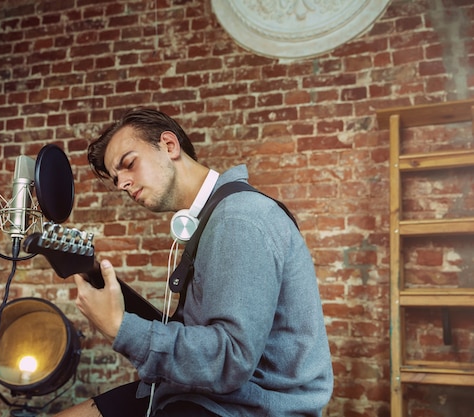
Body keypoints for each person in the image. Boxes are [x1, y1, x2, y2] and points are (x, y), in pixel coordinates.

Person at [54, 108, 333, 417]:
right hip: (206, 394)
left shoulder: (238, 218)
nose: (122, 184)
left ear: (170, 146)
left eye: (129, 164)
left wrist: (121, 327)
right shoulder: (213, 219)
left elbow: (231, 358)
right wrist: (99, 279)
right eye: (117, 178)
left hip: (250, 406)